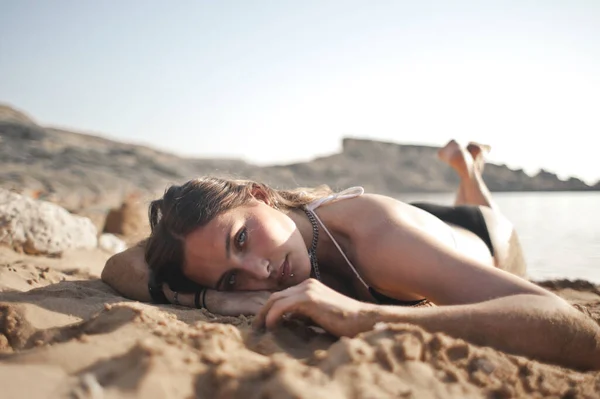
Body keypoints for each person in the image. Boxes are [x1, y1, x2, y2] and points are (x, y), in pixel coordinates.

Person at [101, 140, 600, 371]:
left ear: (260, 194)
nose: (260, 273)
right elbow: (117, 266)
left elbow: (576, 330)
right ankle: (465, 171)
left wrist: (363, 317)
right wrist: (214, 298)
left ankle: (471, 172)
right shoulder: (219, 249)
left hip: (484, 238)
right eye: (235, 278)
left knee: (481, 215)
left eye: (242, 240)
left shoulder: (377, 241)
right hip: (416, 227)